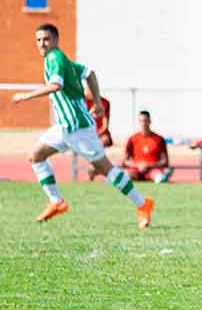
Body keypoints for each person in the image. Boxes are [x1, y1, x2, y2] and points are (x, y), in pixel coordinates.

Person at [11, 23, 154, 228]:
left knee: (105, 169)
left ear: (56, 40)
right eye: (38, 40)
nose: (42, 43)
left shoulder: (55, 58)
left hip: (78, 127)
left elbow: (56, 85)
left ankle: (143, 204)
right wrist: (96, 103)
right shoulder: (63, 60)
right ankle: (56, 202)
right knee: (35, 156)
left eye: (46, 39)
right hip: (64, 127)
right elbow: (89, 72)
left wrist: (26, 96)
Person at [123, 110, 172, 183]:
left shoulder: (159, 139)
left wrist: (148, 165)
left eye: (145, 121)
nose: (143, 123)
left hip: (152, 170)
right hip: (136, 170)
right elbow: (125, 161)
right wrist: (138, 165)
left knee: (158, 176)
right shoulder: (132, 139)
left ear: (150, 121)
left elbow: (165, 161)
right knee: (126, 175)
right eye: (141, 121)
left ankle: (162, 177)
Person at [84, 90, 112, 181]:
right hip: (86, 134)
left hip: (99, 134)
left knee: (103, 141)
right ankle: (97, 168)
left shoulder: (104, 102)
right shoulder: (82, 101)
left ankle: (94, 167)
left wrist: (96, 135)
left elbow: (105, 125)